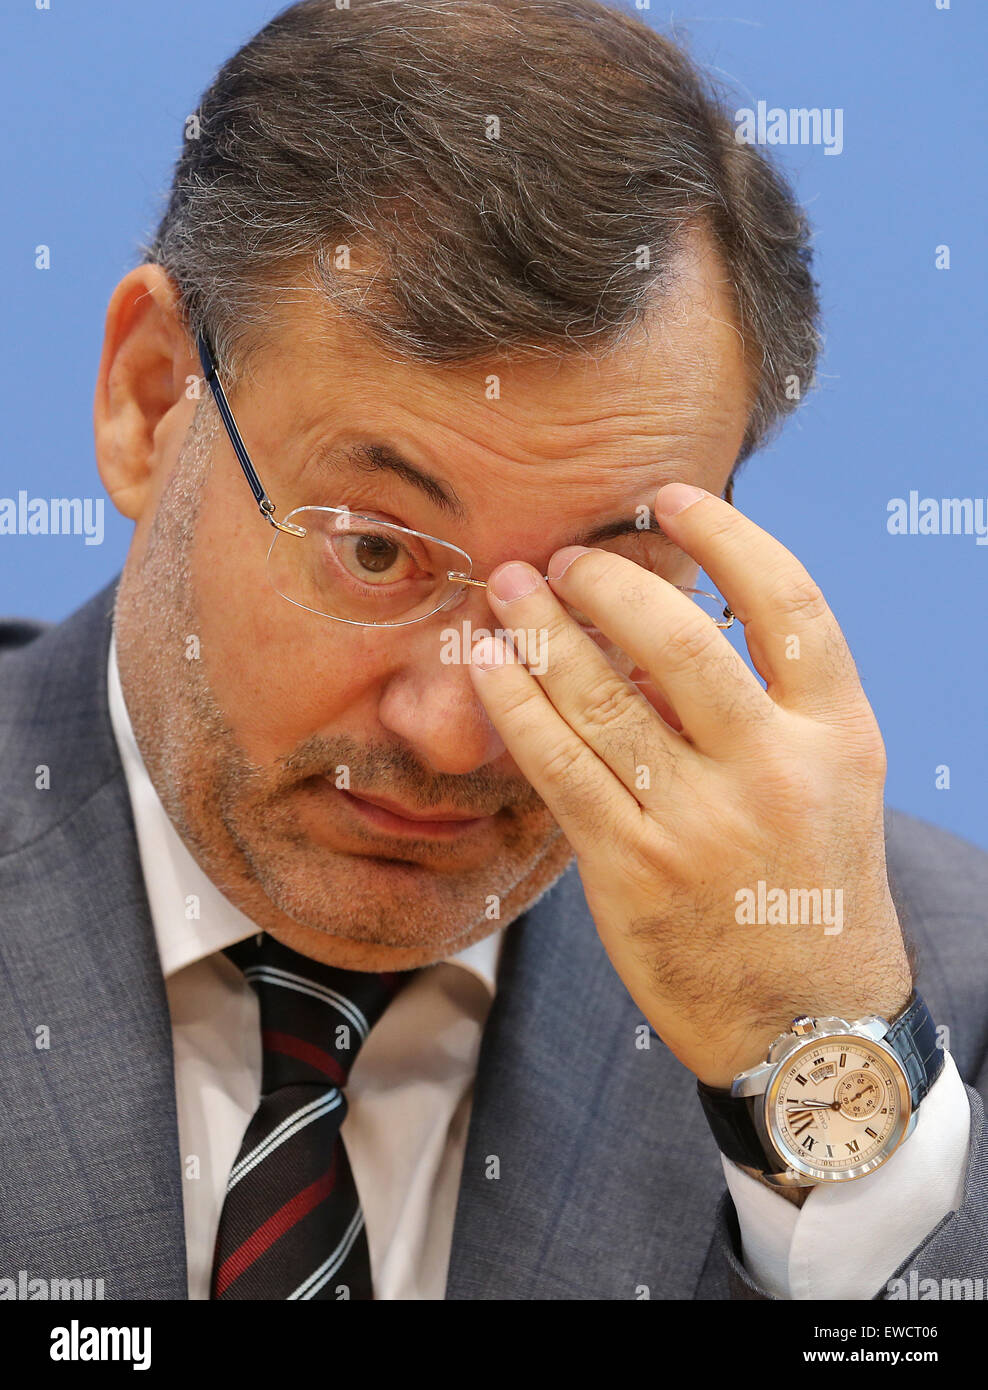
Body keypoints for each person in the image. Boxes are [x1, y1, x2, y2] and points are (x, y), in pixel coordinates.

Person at [1, 0, 984, 1302]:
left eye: (592, 596)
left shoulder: (934, 999)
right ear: (150, 398)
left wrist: (817, 1098)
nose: (457, 730)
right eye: (374, 550)